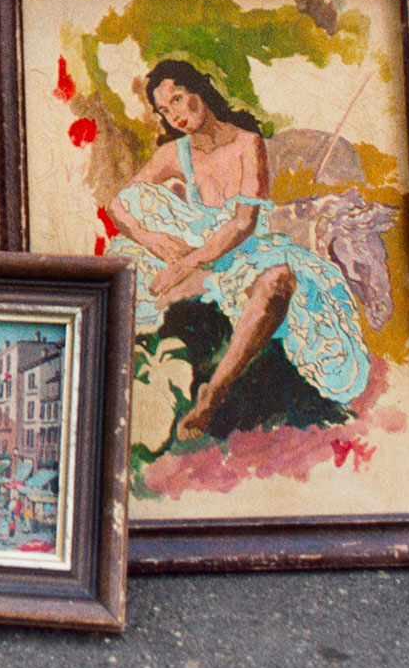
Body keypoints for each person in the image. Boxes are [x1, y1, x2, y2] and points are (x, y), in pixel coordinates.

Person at [103, 59, 369, 444]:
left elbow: (244, 223)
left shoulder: (247, 143)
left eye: (178, 99)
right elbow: (119, 204)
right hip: (198, 260)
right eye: (164, 110)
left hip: (245, 252)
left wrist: (188, 264)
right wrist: (152, 240)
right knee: (141, 232)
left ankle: (215, 390)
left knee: (277, 282)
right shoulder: (175, 154)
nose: (174, 114)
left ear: (200, 91)